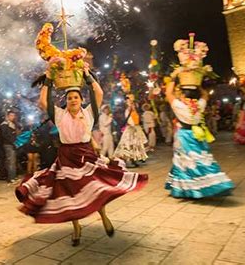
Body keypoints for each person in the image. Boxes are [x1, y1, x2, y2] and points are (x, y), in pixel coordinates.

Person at [16, 66, 148, 247]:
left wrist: (87, 74)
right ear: (66, 101)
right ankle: (76, 228)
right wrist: (48, 79)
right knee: (71, 195)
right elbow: (43, 100)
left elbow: (98, 92)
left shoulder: (89, 113)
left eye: (76, 97)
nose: (72, 100)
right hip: (66, 157)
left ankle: (104, 216)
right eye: (69, 98)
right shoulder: (60, 115)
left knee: (95, 187)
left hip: (86, 155)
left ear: (81, 99)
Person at [164, 78, 234, 198]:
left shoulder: (180, 106)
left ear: (183, 96)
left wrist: (173, 77)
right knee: (199, 159)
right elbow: (205, 95)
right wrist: (198, 85)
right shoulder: (199, 105)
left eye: (180, 94)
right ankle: (188, 188)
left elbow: (168, 93)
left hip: (184, 136)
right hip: (197, 134)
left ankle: (200, 187)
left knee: (186, 161)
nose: (179, 96)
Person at [113, 95, 148, 168]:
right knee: (129, 145)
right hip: (131, 129)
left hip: (135, 128)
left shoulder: (134, 111)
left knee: (135, 145)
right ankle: (128, 161)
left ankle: (134, 160)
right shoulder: (127, 111)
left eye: (133, 104)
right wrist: (133, 126)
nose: (133, 105)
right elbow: (129, 120)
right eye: (131, 104)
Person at [0, 110, 19, 184]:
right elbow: (5, 135)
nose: (12, 117)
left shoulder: (12, 124)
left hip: (12, 144)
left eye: (13, 116)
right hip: (8, 144)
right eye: (11, 115)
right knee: (11, 161)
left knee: (13, 161)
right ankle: (11, 178)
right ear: (7, 116)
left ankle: (13, 176)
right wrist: (13, 141)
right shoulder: (4, 124)